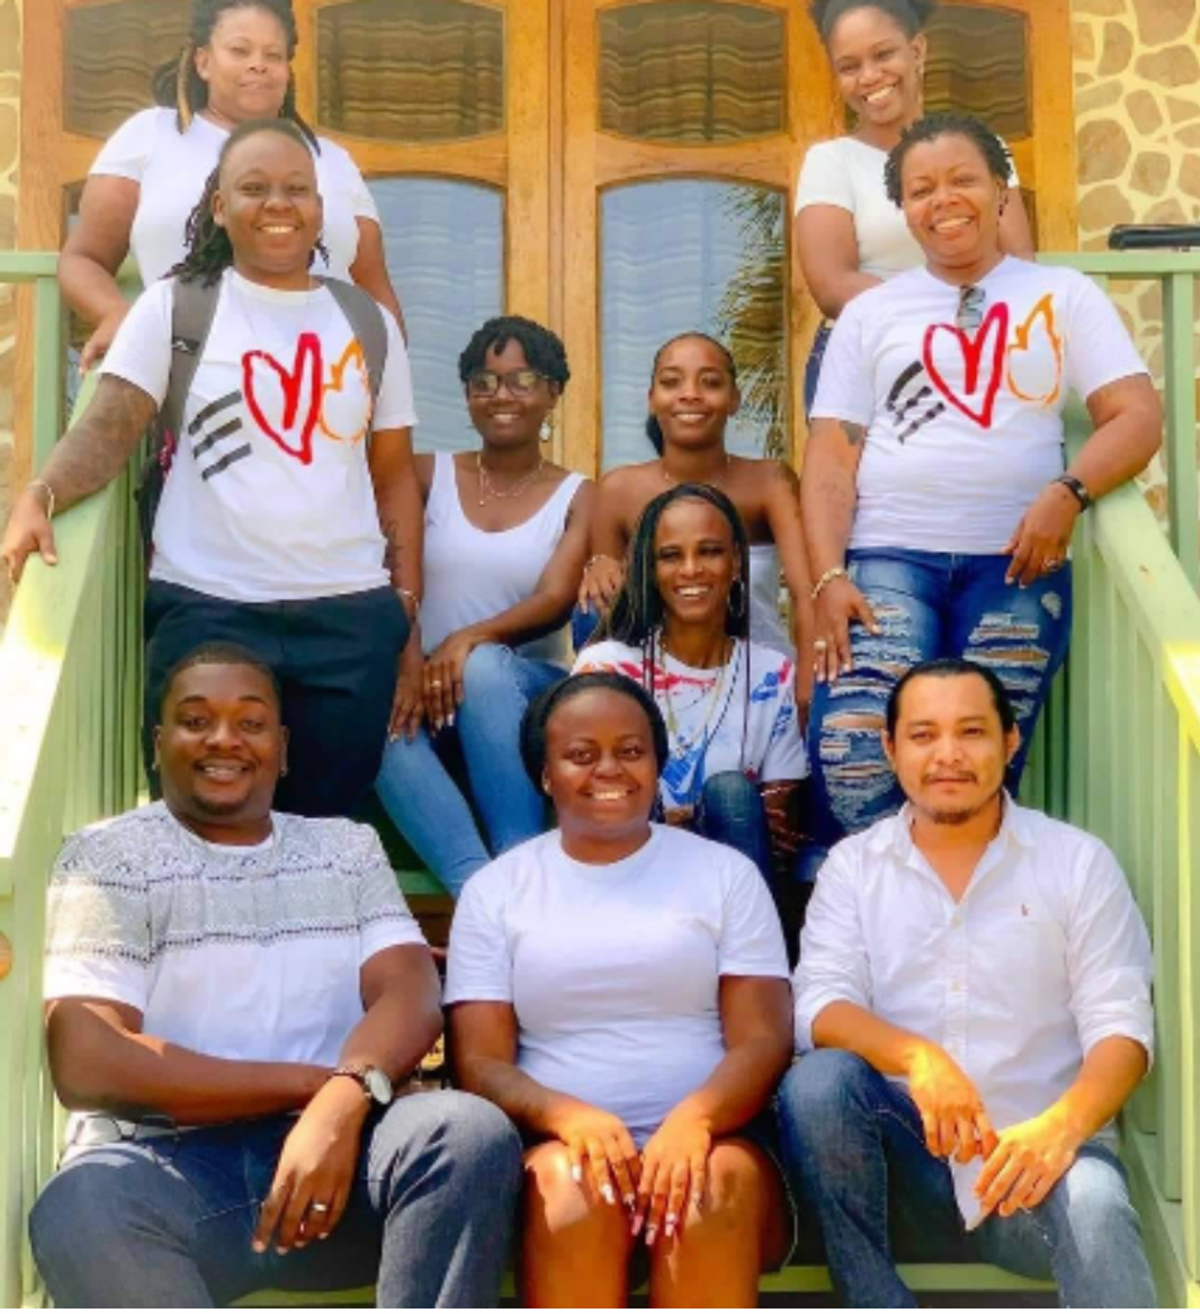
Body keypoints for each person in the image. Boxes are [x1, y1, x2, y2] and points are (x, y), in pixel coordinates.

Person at [27, 643, 522, 1309]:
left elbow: (409, 990)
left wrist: (340, 1109)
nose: (224, 739)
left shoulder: (346, 849)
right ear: (158, 742)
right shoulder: (109, 855)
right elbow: (89, 1060)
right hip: (171, 1172)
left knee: (466, 1136)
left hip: (343, 1167)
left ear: (283, 749)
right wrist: (321, 1088)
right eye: (196, 720)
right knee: (80, 1206)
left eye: (251, 722)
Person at [3, 118, 422, 819]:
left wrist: (405, 614)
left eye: (297, 189)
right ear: (220, 207)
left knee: (324, 829)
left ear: (321, 207)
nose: (279, 204)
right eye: (253, 188)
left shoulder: (366, 321)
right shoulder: (175, 306)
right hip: (209, 604)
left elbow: (394, 478)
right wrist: (40, 493)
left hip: (349, 616)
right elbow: (110, 425)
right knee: (202, 819)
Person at [802, 112, 1161, 837]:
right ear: (903, 208)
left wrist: (1069, 493)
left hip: (1015, 568)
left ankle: (970, 943)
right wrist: (826, 577)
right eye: (921, 188)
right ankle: (871, 940)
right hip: (886, 566)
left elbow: (1137, 416)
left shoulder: (1063, 296)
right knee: (856, 768)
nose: (943, 200)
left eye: (963, 179)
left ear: (1001, 191)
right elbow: (832, 458)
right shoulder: (871, 314)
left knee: (976, 772)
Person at [776, 658, 1156, 1308]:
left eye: (972, 732)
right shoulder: (854, 868)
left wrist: (1060, 1130)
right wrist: (920, 1059)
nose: (948, 755)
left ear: (1010, 743)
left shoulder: (1076, 862)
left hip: (1036, 1169)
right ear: (892, 750)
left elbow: (1121, 1028)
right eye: (923, 735)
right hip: (908, 1172)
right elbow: (819, 1006)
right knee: (817, 1084)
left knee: (1094, 1204)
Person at [445, 672, 794, 1308]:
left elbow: (765, 1037)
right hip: (558, 1152)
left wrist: (694, 1120)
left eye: (631, 751)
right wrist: (565, 1116)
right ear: (545, 775)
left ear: (657, 763)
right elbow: (481, 1063)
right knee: (573, 1191)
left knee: (707, 1191)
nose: (610, 769)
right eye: (582, 755)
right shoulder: (497, 891)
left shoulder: (724, 875)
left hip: (718, 1144)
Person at [59, 0, 404, 373]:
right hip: (188, 376)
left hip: (327, 383)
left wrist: (389, 383)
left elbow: (375, 290)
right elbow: (83, 259)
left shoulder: (331, 160)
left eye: (273, 54)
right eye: (240, 50)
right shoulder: (152, 136)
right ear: (203, 61)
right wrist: (118, 318)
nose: (258, 63)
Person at [375, 316, 593, 896]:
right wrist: (412, 660)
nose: (502, 395)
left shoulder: (580, 495)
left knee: (483, 665)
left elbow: (554, 601)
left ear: (554, 392)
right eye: (485, 381)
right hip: (425, 689)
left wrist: (463, 640)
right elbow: (392, 572)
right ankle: (482, 890)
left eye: (523, 380)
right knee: (369, 697)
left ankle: (520, 854)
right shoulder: (425, 475)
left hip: (520, 694)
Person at [573, 483, 815, 895]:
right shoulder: (607, 668)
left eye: (709, 551)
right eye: (670, 556)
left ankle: (750, 956)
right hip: (628, 883)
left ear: (737, 562)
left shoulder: (773, 676)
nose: (690, 570)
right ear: (649, 569)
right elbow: (585, 799)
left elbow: (777, 832)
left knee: (730, 793)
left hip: (735, 889)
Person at [796, 0, 1033, 411]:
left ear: (918, 50)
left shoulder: (985, 149)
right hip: (866, 364)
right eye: (849, 67)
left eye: (884, 54)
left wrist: (959, 327)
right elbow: (832, 286)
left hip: (976, 359)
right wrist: (951, 311)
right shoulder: (832, 161)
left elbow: (1018, 263)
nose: (869, 77)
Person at [577, 332, 814, 683]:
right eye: (672, 382)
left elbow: (806, 589)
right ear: (651, 399)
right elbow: (606, 600)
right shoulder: (619, 490)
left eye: (711, 382)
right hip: (657, 680)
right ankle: (607, 700)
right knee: (588, 607)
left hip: (758, 677)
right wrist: (599, 566)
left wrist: (809, 671)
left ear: (734, 399)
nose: (690, 393)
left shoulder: (768, 482)